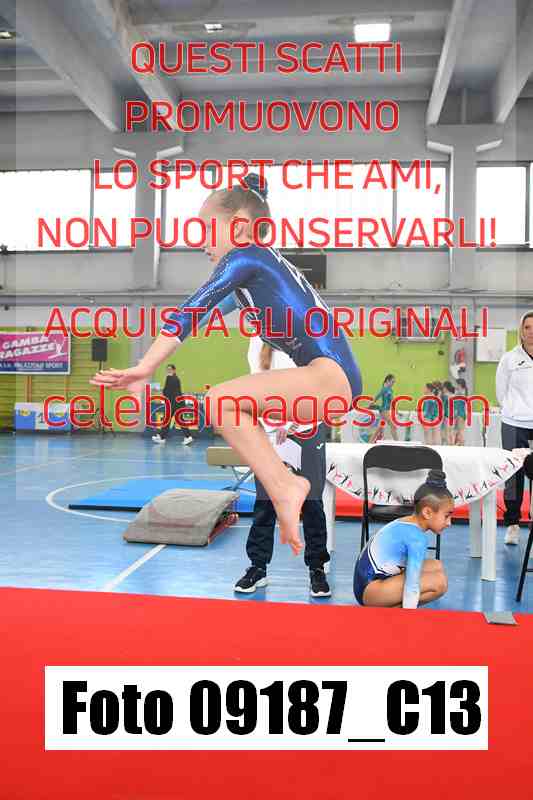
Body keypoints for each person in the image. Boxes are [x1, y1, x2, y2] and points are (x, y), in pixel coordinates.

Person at [90, 173, 362, 556]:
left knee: (220, 401)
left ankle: (286, 486)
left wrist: (144, 367)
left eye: (207, 229)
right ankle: (284, 490)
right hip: (330, 382)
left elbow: (189, 310)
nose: (202, 242)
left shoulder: (246, 256)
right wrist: (151, 361)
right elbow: (197, 319)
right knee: (227, 406)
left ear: (240, 226)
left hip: (330, 377)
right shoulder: (254, 274)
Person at [234, 339, 331, 597]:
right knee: (265, 503)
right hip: (269, 433)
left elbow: (318, 386)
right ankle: (258, 567)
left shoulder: (306, 336)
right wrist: (271, 424)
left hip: (306, 428)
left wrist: (292, 423)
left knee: (312, 503)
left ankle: (317, 568)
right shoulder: (257, 341)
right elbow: (256, 388)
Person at [353, 470, 452, 608]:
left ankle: (391, 608)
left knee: (437, 566)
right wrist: (408, 618)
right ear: (427, 512)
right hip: (369, 591)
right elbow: (412, 585)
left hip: (365, 583)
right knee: (439, 582)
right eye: (446, 516)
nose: (449, 523)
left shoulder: (407, 522)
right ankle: (395, 614)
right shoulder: (417, 539)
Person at [496, 311, 533, 545]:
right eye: (527, 327)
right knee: (513, 475)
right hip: (514, 424)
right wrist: (513, 410)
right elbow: (501, 391)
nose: (531, 332)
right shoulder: (509, 359)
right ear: (521, 331)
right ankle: (512, 524)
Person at [152, 364, 194, 445]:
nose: (168, 371)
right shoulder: (173, 378)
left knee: (171, 419)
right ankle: (162, 437)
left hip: (174, 403)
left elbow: (168, 392)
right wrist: (161, 391)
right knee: (173, 420)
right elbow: (168, 390)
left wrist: (159, 391)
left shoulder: (171, 378)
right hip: (176, 402)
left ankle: (163, 437)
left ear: (174, 370)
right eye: (167, 369)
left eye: (170, 369)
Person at [370, 374, 397, 442]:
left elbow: (392, 401)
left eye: (394, 382)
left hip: (386, 410)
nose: (393, 384)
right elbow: (378, 395)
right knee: (393, 426)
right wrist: (373, 402)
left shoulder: (390, 390)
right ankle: (397, 442)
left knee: (380, 427)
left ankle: (370, 442)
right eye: (392, 382)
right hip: (383, 410)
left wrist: (396, 410)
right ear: (387, 381)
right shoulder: (384, 389)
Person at [453, 377, 468, 446]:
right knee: (459, 430)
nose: (455, 385)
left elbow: (458, 404)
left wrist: (455, 411)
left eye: (456, 384)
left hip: (460, 413)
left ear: (460, 384)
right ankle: (460, 443)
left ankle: (462, 444)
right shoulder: (462, 392)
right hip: (461, 412)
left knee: (460, 430)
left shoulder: (460, 393)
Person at [440, 381, 456, 445]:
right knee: (451, 432)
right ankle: (452, 445)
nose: (442, 389)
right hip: (453, 415)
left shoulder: (445, 396)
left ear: (445, 388)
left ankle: (449, 445)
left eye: (443, 387)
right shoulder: (454, 395)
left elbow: (443, 406)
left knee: (447, 433)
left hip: (447, 415)